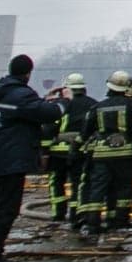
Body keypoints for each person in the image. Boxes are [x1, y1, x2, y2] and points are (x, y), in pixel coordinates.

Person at [0, 55, 61, 262]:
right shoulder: (19, 94)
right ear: (28, 73)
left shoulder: (2, 93)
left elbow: (25, 112)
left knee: (3, 206)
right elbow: (47, 114)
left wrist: (42, 99)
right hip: (12, 159)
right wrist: (63, 102)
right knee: (7, 208)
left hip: (1, 156)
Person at [76, 71, 132, 235]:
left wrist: (76, 149)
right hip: (124, 155)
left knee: (98, 188)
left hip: (101, 155)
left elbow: (85, 132)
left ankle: (93, 224)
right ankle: (118, 221)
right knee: (123, 187)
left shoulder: (98, 107)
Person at [46, 73, 95, 223]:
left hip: (58, 153)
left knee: (56, 182)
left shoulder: (59, 105)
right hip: (81, 151)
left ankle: (57, 214)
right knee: (78, 183)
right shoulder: (93, 104)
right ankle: (76, 215)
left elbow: (48, 128)